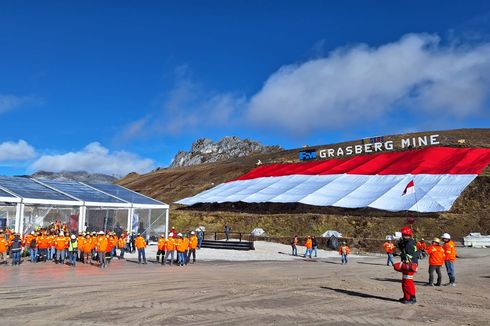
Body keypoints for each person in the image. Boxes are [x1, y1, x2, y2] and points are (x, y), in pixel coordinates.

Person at [394, 226, 419, 304]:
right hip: (409, 264)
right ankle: (406, 297)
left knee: (408, 282)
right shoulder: (410, 242)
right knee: (405, 281)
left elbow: (409, 255)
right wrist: (400, 244)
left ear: (404, 234)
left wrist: (400, 254)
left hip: (409, 264)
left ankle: (412, 298)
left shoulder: (409, 243)